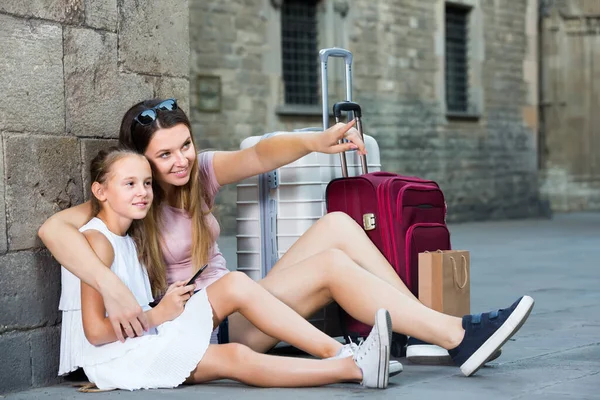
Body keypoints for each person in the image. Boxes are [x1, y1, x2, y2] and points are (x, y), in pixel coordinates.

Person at [40, 98, 534, 378]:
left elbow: (259, 156)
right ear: (141, 161)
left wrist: (316, 141)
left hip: (242, 302)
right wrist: (112, 286)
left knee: (338, 226)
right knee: (330, 267)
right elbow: (53, 230)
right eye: (165, 154)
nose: (181, 160)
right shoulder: (131, 196)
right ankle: (454, 335)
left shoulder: (199, 175)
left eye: (185, 145)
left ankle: (420, 330)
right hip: (207, 326)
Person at [62, 146, 394, 390]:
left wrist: (165, 307)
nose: (143, 193)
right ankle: (354, 369)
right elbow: (94, 333)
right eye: (129, 184)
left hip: (149, 333)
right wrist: (157, 315)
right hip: (117, 357)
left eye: (147, 183)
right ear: (100, 191)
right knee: (234, 356)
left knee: (234, 283)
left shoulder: (127, 238)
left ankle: (338, 351)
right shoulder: (97, 242)